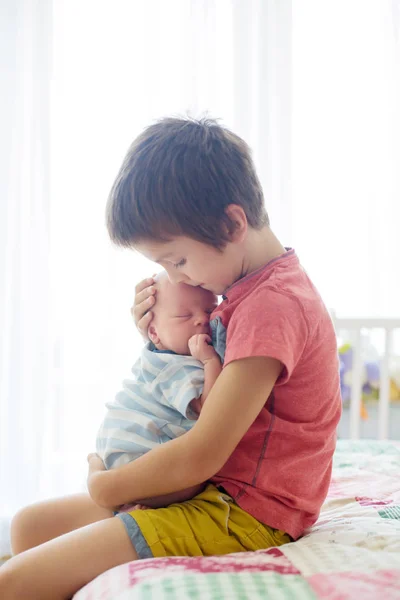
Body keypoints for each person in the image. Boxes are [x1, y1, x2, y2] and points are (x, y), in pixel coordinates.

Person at [0, 117, 342, 600]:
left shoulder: (273, 305)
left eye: (177, 261)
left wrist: (109, 488)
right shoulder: (243, 292)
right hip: (214, 491)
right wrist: (162, 338)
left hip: (243, 511)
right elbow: (205, 379)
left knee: (12, 583)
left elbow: (203, 451)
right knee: (30, 527)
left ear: (232, 223)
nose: (176, 277)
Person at [96, 271, 221, 509]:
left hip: (124, 445)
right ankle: (144, 502)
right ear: (154, 333)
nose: (202, 320)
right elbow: (210, 409)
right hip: (137, 449)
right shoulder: (176, 367)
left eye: (209, 310)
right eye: (184, 315)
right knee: (194, 482)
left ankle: (137, 501)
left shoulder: (159, 356)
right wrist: (210, 362)